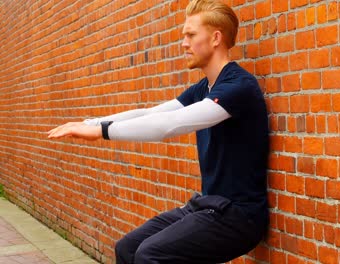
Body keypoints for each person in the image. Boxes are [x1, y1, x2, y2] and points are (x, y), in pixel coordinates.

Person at [47, 0, 269, 263]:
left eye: (190, 35)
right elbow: (153, 114)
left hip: (238, 216)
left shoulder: (237, 87)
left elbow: (167, 126)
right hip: (207, 205)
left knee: (150, 255)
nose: (183, 43)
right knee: (127, 249)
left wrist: (102, 132)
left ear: (215, 38)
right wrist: (91, 123)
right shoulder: (204, 88)